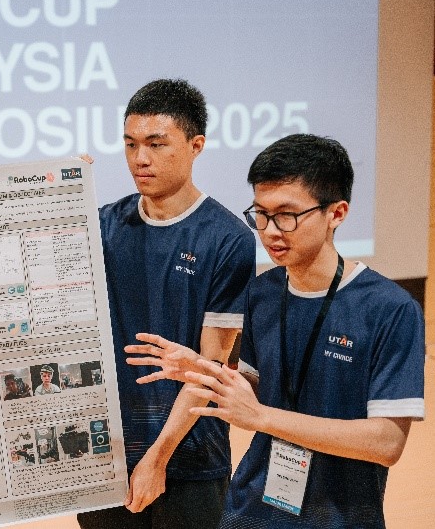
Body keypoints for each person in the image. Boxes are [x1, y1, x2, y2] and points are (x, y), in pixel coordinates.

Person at [127, 134, 425, 528]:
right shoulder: (262, 293)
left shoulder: (390, 309)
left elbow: (386, 443)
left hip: (338, 514)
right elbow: (252, 389)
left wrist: (263, 417)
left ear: (336, 213)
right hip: (251, 508)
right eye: (261, 215)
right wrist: (205, 370)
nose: (269, 231)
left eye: (287, 215)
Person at [77, 79, 255, 529]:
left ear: (196, 145)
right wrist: (59, 198)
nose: (140, 159)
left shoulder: (227, 238)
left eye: (157, 144)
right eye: (131, 144)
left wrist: (157, 458)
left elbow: (210, 366)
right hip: (107, 450)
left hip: (191, 454)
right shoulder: (102, 225)